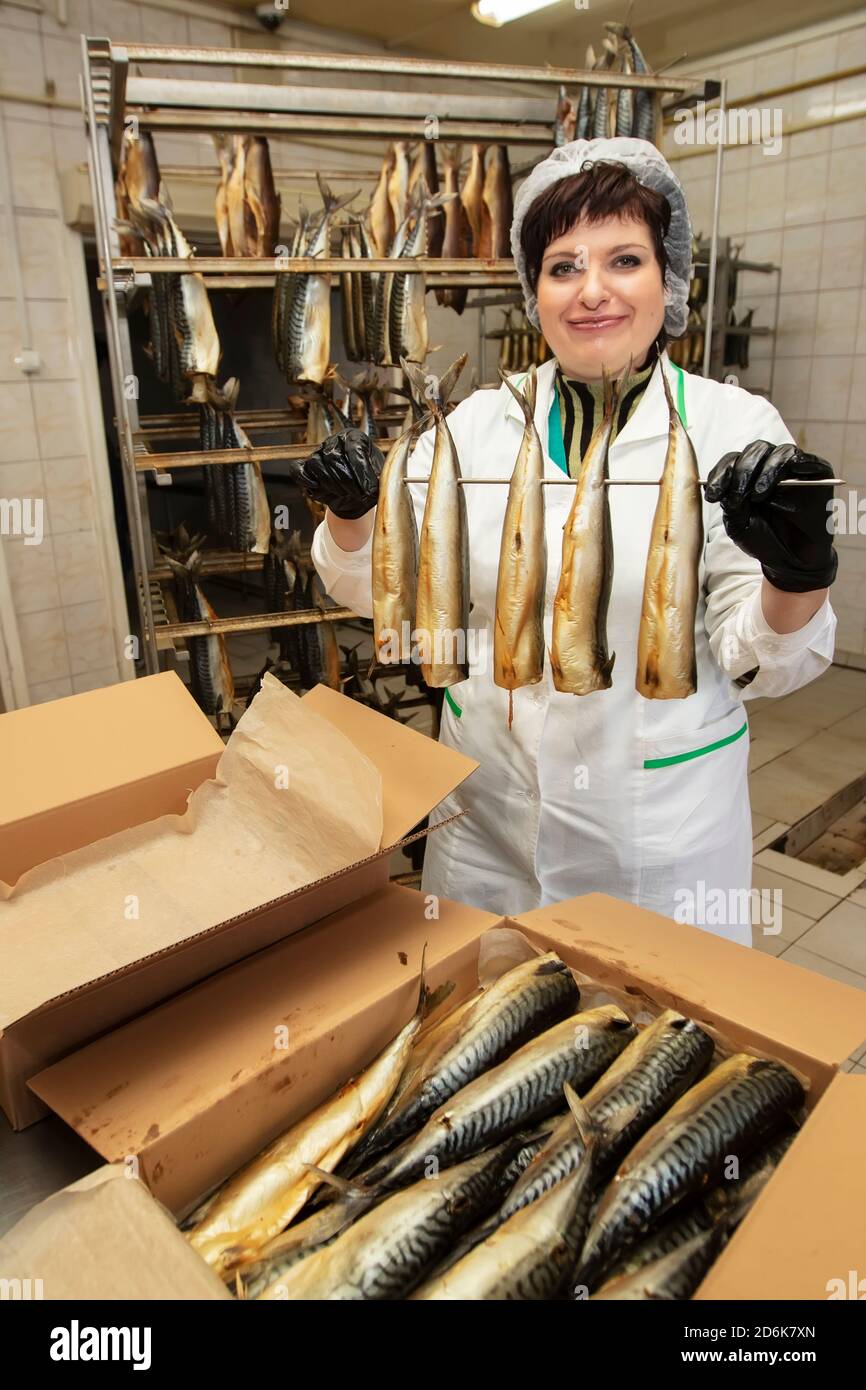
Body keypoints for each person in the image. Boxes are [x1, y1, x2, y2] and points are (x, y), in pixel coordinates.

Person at [301, 137, 837, 946]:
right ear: (533, 292)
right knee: (485, 1038)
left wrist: (798, 573)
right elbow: (382, 595)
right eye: (562, 267)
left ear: (669, 279)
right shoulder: (476, 425)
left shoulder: (735, 428)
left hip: (657, 835)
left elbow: (764, 661)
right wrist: (352, 518)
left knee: (655, 1047)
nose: (592, 291)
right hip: (486, 821)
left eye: (624, 260)